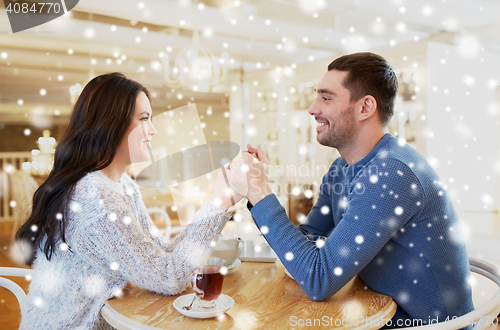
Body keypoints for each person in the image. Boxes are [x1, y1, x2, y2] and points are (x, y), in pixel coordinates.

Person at [242, 52, 474, 327]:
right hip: (379, 314)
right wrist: (262, 196)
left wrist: (260, 194)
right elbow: (309, 236)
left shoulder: (391, 173)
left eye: (326, 98)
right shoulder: (342, 167)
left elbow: (319, 280)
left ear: (365, 108)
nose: (312, 109)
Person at [15, 72, 246, 329]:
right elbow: (169, 277)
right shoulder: (95, 202)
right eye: (144, 119)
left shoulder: (122, 185)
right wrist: (218, 201)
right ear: (110, 124)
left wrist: (224, 198)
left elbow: (160, 256)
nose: (153, 130)